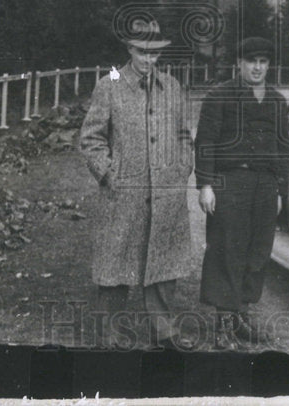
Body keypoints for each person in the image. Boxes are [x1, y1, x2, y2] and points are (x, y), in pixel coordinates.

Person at [78, 19, 194, 349]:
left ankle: (165, 332)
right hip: (125, 195)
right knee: (116, 267)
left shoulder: (171, 86)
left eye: (155, 53)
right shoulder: (109, 85)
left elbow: (185, 135)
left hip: (165, 194)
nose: (148, 59)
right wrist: (109, 173)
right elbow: (90, 138)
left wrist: (182, 167)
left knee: (163, 265)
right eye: (142, 52)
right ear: (130, 50)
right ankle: (110, 335)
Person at [195, 36, 289, 349]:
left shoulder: (277, 101)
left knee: (258, 250)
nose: (258, 67)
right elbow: (205, 141)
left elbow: (283, 147)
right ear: (240, 63)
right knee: (227, 249)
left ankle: (241, 317)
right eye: (252, 61)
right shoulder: (220, 96)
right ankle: (223, 322)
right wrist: (206, 184)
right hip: (230, 182)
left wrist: (280, 189)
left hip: (264, 185)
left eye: (263, 62)